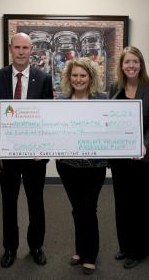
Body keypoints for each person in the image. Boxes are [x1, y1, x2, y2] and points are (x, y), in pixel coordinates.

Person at [0, 32, 53, 268]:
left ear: (31, 49)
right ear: (10, 49)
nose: (22, 52)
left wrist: (44, 150)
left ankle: (36, 246)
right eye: (18, 47)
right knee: (9, 203)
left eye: (26, 48)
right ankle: (10, 248)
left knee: (36, 203)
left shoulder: (43, 79)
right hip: (8, 156)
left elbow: (47, 119)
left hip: (35, 156)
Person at [108, 46, 149, 269]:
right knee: (121, 203)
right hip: (120, 158)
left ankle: (139, 252)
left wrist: (143, 145)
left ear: (141, 65)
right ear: (121, 66)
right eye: (127, 62)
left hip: (143, 157)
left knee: (139, 206)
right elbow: (109, 119)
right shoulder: (115, 87)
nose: (131, 66)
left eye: (135, 62)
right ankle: (125, 246)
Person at [55, 58, 107, 275]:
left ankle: (90, 255)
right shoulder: (60, 101)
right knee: (77, 209)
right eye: (74, 75)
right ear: (69, 77)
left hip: (94, 167)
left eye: (83, 75)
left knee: (89, 208)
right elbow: (53, 131)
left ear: (91, 77)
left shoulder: (102, 100)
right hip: (67, 166)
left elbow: (110, 129)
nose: (78, 79)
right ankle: (79, 249)